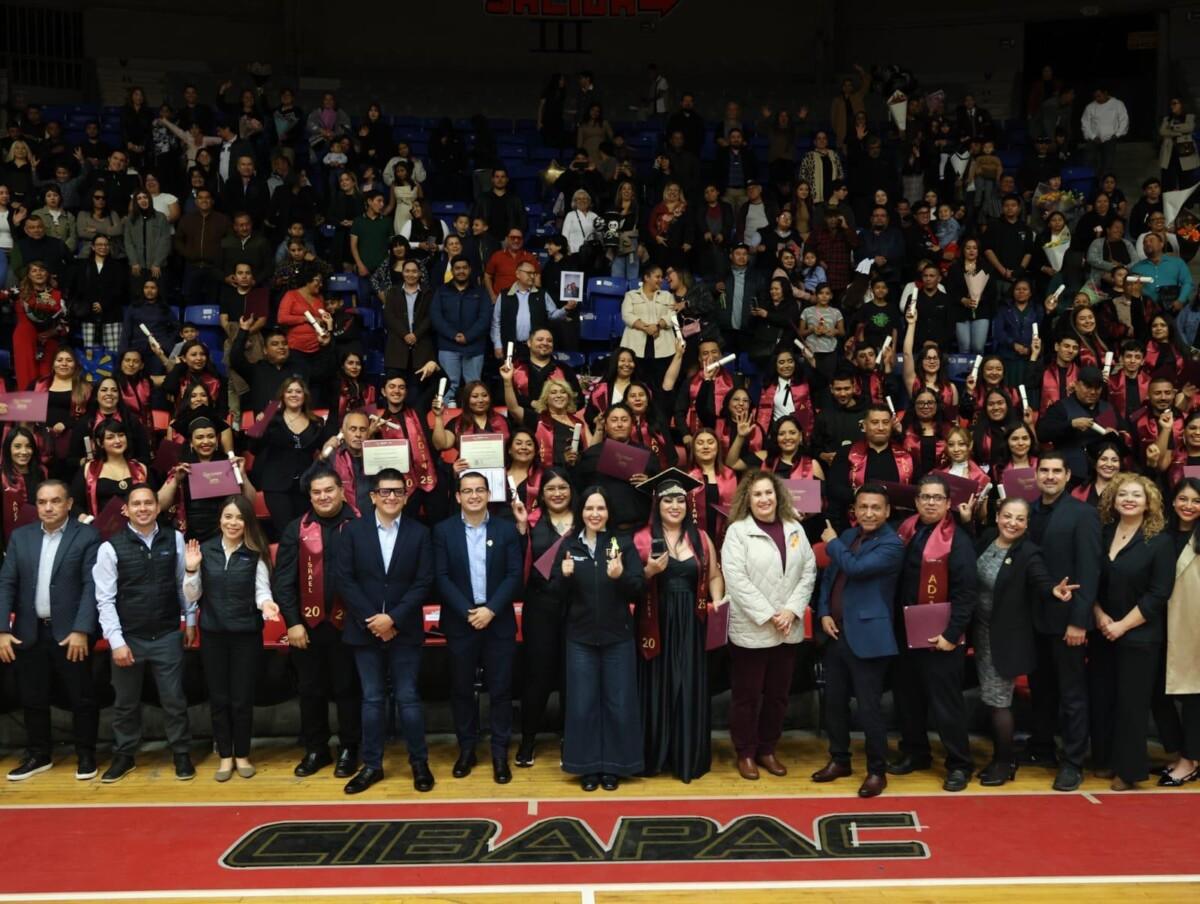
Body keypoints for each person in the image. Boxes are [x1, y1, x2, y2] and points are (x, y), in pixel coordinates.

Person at [335, 469, 435, 794]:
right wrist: (375, 620)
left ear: (406, 497)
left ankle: (419, 763)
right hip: (364, 630)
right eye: (384, 492)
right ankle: (372, 766)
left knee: (408, 698)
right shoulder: (353, 532)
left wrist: (392, 619)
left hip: (404, 630)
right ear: (373, 496)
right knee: (372, 699)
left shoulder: (420, 533)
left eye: (397, 492)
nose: (391, 497)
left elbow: (423, 582)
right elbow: (345, 580)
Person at [93, 485, 201, 782]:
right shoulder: (109, 547)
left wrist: (190, 621)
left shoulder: (175, 539)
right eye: (136, 504)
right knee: (125, 703)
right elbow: (105, 600)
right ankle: (124, 755)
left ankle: (181, 753)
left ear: (157, 507)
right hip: (128, 637)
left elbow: (184, 582)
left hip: (167, 633)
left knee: (174, 700)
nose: (143, 508)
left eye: (148, 503)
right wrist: (116, 642)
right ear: (126, 510)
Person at [0, 480, 102, 782]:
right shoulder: (20, 537)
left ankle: (86, 754)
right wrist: (2, 629)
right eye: (43, 501)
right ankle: (39, 754)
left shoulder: (87, 536)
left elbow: (91, 586)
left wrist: (83, 629)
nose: (48, 507)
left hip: (71, 634)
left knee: (81, 698)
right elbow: (6, 584)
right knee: (32, 697)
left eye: (55, 501)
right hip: (29, 632)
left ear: (69, 504)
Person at [972, 497, 1077, 786]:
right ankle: (1003, 758)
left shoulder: (1029, 553)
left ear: (1027, 523)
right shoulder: (987, 539)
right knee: (992, 699)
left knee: (998, 702)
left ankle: (1004, 762)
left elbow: (1041, 581)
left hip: (1004, 639)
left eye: (1020, 518)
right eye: (1007, 516)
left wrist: (1054, 591)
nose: (1012, 523)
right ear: (997, 517)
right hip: (979, 633)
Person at [722, 469, 817, 780]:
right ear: (747, 500)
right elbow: (735, 580)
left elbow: (808, 572)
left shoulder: (795, 528)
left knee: (778, 695)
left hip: (788, 629)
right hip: (753, 628)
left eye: (768, 493)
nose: (764, 499)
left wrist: (791, 610)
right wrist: (769, 614)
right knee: (747, 696)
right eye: (757, 494)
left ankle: (767, 749)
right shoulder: (737, 532)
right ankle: (746, 752)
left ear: (778, 495)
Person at [813, 484, 904, 797]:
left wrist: (831, 543)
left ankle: (877, 771)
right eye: (863, 507)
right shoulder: (848, 537)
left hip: (869, 638)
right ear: (854, 509)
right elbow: (829, 578)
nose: (868, 513)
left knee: (869, 709)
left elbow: (857, 568)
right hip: (836, 633)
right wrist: (823, 612)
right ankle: (840, 760)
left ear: (887, 511)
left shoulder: (892, 544)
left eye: (875, 507)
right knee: (834, 704)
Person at [433, 471, 524, 784]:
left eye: (479, 490)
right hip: (461, 622)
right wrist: (469, 611)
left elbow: (514, 575)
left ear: (488, 494)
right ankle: (467, 749)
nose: (473, 496)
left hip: (497, 622)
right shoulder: (443, 531)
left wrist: (491, 610)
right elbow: (441, 578)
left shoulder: (507, 529)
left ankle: (500, 753)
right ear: (458, 496)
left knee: (501, 691)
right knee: (461, 691)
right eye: (467, 491)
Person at [634, 472, 724, 783]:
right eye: (667, 500)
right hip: (655, 621)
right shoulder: (642, 539)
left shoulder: (700, 537)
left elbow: (713, 576)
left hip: (692, 621)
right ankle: (656, 755)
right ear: (657, 505)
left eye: (679, 500)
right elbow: (630, 585)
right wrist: (648, 571)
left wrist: (717, 604)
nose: (674, 505)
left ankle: (688, 756)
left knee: (687, 684)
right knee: (658, 685)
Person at [888, 473, 977, 792]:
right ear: (915, 501)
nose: (929, 502)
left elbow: (967, 594)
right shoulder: (906, 530)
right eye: (924, 497)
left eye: (936, 498)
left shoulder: (959, 540)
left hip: (941, 635)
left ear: (948, 503)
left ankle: (959, 764)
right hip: (904, 632)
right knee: (908, 699)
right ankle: (916, 753)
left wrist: (952, 635)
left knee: (946, 704)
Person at [554, 485, 645, 791]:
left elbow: (638, 587)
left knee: (618, 704)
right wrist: (564, 577)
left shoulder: (621, 543)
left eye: (601, 509)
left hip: (617, 636)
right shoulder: (569, 546)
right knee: (582, 704)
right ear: (581, 512)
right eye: (590, 508)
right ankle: (587, 767)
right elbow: (554, 595)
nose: (595, 514)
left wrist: (620, 578)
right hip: (580, 638)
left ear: (609, 513)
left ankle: (615, 767)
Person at [1023, 452, 1104, 789]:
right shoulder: (1026, 511)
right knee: (1040, 690)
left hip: (1066, 621)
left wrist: (1079, 622)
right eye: (1045, 470)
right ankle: (1042, 748)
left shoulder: (1083, 514)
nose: (1051, 476)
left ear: (1068, 475)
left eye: (1057, 471)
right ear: (1036, 474)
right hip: (1031, 619)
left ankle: (1073, 761)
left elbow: (1089, 570)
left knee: (1072, 694)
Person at [1091, 474, 1176, 790]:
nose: (1129, 499)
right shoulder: (1104, 533)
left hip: (1140, 636)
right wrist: (1099, 616)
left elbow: (1158, 593)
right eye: (1122, 494)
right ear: (1113, 499)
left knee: (1131, 704)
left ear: (1148, 501)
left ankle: (1129, 771)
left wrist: (1122, 625)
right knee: (1104, 698)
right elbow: (1092, 580)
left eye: (1136, 495)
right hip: (1103, 631)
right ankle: (1106, 759)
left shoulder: (1160, 539)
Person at [276, 466, 361, 779]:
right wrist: (293, 622)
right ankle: (316, 749)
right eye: (316, 492)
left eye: (329, 490)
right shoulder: (295, 528)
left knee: (348, 689)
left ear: (341, 490)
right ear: (310, 496)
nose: (323, 497)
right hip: (307, 629)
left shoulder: (360, 525)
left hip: (350, 625)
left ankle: (351, 748)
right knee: (310, 690)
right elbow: (283, 581)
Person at [196, 495, 280, 781]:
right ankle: (224, 757)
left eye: (239, 518)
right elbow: (191, 595)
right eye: (228, 517)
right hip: (213, 635)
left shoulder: (255, 553)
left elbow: (262, 591)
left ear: (248, 522)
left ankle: (242, 754)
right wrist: (191, 569)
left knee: (242, 699)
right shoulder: (204, 550)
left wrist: (267, 605)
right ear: (220, 519)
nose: (233, 523)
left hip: (246, 635)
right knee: (219, 698)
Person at [512, 466, 576, 766]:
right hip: (540, 606)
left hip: (578, 607)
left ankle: (571, 739)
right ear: (542, 493)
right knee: (537, 677)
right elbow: (518, 565)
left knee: (572, 676)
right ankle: (527, 741)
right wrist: (522, 530)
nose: (557, 493)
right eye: (551, 488)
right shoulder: (532, 520)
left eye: (563, 487)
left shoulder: (586, 519)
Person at [1161, 478, 1200, 786]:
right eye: (1183, 499)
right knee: (1156, 693)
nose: (1189, 506)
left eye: (1196, 501)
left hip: (1192, 625)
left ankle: (1190, 760)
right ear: (1173, 502)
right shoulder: (1161, 535)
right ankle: (1181, 753)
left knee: (1193, 696)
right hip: (1159, 623)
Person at [430, 256, 490, 404]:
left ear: (469, 270)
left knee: (474, 386)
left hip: (474, 346)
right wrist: (453, 335)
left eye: (464, 268)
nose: (461, 271)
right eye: (457, 268)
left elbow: (485, 318)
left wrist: (468, 336)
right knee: (449, 386)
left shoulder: (481, 292)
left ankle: (474, 421)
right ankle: (444, 421)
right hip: (448, 345)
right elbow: (436, 317)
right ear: (452, 270)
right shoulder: (441, 291)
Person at [1081, 87, 1129, 176]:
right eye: (1095, 97)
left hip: (1110, 138)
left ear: (1106, 93)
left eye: (1099, 96)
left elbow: (1124, 120)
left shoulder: (1117, 104)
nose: (1097, 99)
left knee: (1108, 163)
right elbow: (1085, 123)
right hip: (1094, 138)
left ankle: (1105, 184)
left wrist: (1117, 134)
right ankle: (1091, 182)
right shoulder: (1090, 107)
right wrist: (1093, 136)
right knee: (1090, 161)